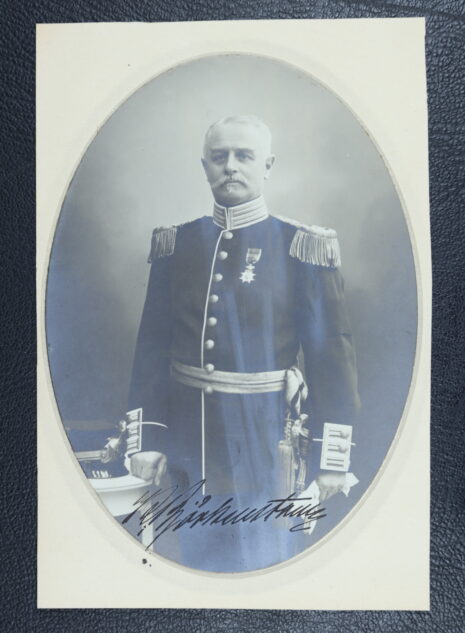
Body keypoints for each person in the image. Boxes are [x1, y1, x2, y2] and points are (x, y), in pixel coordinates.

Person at [127, 114, 360, 572]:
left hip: (268, 446)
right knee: (198, 566)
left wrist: (332, 458)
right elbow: (151, 348)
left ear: (267, 165)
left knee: (267, 567)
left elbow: (331, 355)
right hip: (190, 445)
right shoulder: (177, 244)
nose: (230, 166)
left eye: (244, 156)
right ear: (205, 166)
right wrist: (146, 438)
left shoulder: (300, 247)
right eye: (219, 157)